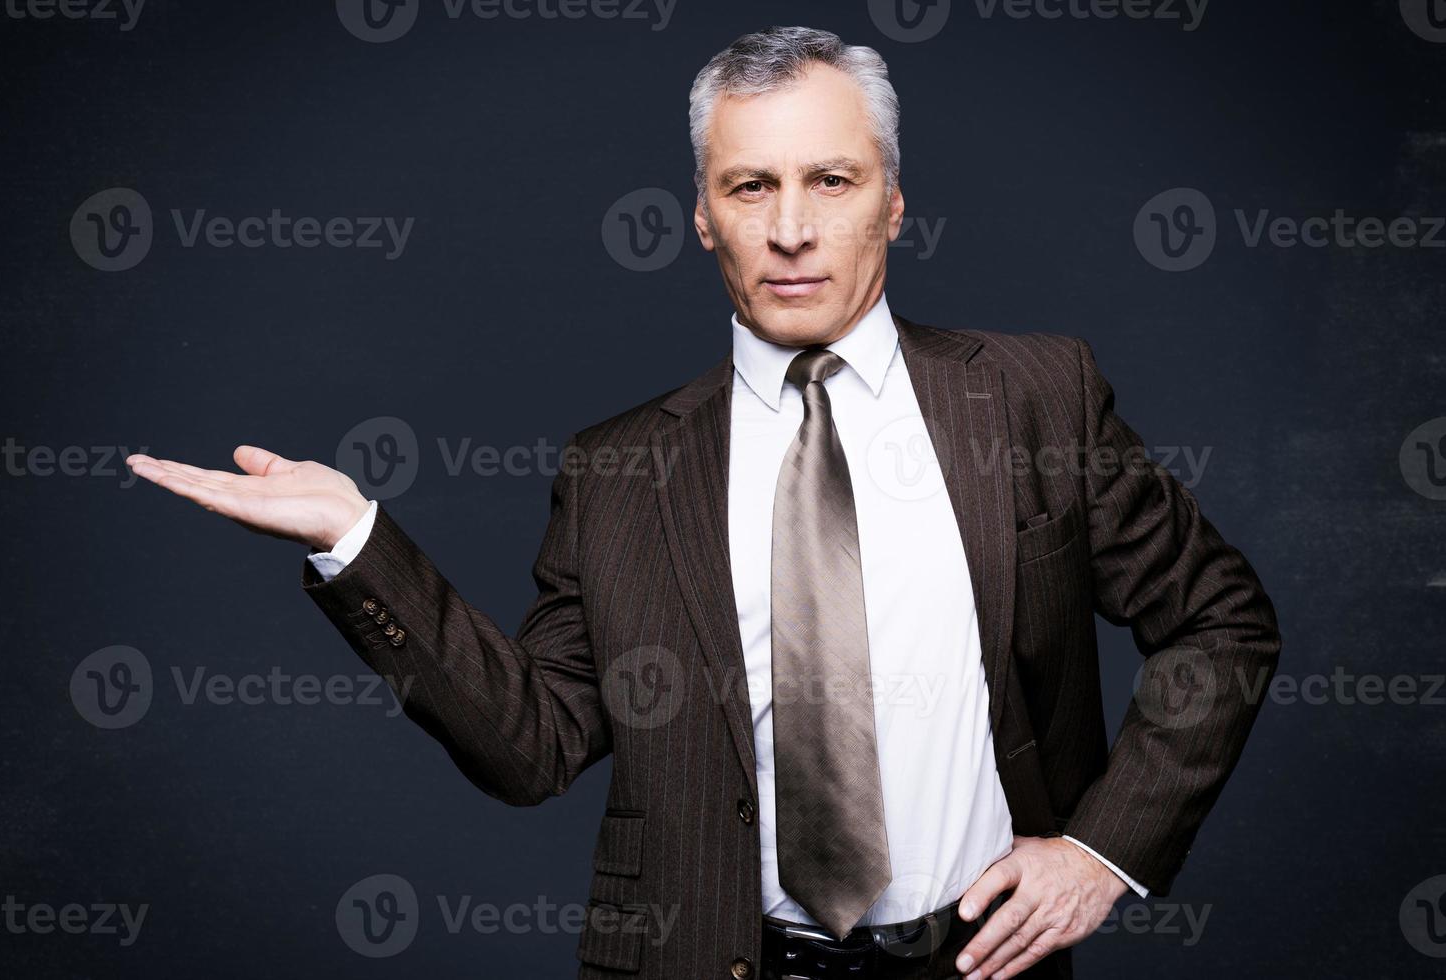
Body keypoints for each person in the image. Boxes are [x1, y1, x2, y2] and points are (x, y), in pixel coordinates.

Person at [127, 25, 1280, 980]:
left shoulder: (1033, 396)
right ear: (700, 214)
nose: (789, 227)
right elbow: (532, 746)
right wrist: (356, 538)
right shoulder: (616, 470)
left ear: (889, 201)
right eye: (750, 186)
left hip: (975, 965)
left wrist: (1098, 848)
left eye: (830, 180)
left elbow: (1220, 619)